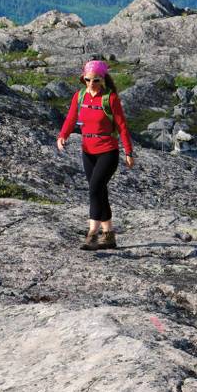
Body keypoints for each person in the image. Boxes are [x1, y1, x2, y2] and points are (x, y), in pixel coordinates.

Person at [57, 59, 135, 250]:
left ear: (103, 79)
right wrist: (63, 135)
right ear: (83, 78)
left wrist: (128, 152)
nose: (92, 83)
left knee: (94, 189)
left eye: (96, 80)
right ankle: (109, 235)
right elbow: (71, 117)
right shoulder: (80, 96)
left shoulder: (110, 99)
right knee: (99, 191)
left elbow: (122, 126)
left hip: (108, 151)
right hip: (87, 151)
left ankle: (92, 235)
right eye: (88, 79)